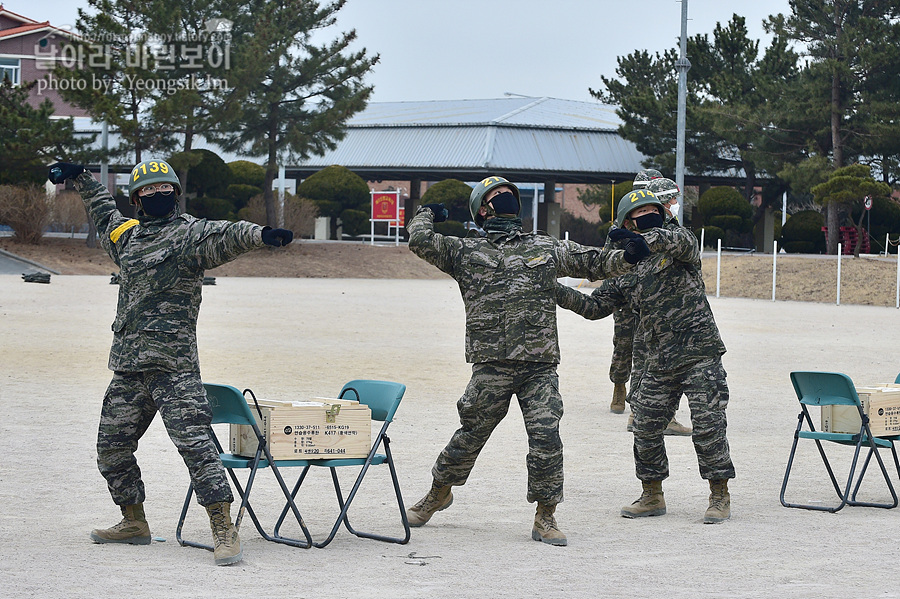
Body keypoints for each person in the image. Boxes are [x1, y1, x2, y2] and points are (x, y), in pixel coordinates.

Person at [47, 160, 294, 565]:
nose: (158, 195)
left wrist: (262, 234)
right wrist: (80, 176)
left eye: (165, 189)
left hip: (174, 368)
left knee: (196, 449)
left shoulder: (189, 235)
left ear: (175, 195)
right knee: (110, 449)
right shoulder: (126, 238)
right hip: (128, 367)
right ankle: (133, 521)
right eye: (149, 190)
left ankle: (223, 526)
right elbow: (102, 210)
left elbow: (226, 233)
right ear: (138, 199)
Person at [404, 176, 650, 546]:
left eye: (509, 194)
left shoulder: (544, 247)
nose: (506, 199)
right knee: (469, 434)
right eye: (496, 196)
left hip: (539, 366)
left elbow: (592, 262)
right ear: (483, 210)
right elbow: (419, 240)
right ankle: (439, 492)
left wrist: (628, 254)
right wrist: (425, 213)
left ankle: (546, 516)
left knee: (546, 438)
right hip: (492, 365)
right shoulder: (466, 252)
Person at [556, 188, 734, 524]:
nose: (649, 218)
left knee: (709, 425)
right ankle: (652, 493)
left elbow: (679, 241)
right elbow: (594, 306)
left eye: (654, 212)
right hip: (659, 360)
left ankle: (719, 494)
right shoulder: (625, 269)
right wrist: (554, 291)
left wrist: (646, 242)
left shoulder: (679, 243)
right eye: (640, 216)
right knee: (645, 427)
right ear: (626, 224)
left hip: (700, 353)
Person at [608, 170, 690, 437]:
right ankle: (625, 392)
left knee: (644, 355)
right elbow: (608, 262)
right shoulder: (628, 224)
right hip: (636, 299)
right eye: (673, 200)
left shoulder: (664, 228)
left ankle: (636, 411)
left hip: (648, 301)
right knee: (633, 349)